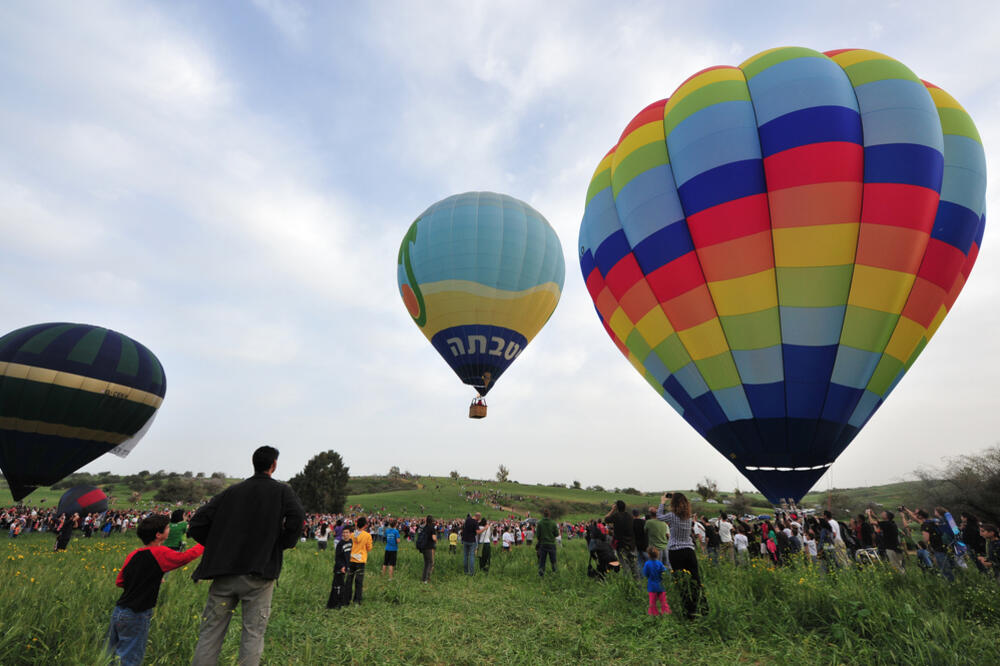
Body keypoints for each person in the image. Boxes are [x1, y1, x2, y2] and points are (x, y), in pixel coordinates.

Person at [188, 445, 306, 666]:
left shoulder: (231, 491)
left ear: (254, 464)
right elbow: (297, 517)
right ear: (274, 465)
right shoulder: (282, 491)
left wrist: (219, 546)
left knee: (210, 633)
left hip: (223, 572)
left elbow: (197, 523)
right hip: (258, 575)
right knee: (253, 634)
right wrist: (281, 543)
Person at [106, 514, 204, 666]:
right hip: (137, 613)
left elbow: (120, 581)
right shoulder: (160, 553)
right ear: (159, 535)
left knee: (111, 655)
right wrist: (205, 543)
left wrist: (150, 577)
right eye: (167, 528)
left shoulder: (134, 554)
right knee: (130, 658)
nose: (169, 529)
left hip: (119, 611)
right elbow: (185, 557)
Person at [657, 492, 708, 619]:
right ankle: (703, 608)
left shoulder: (672, 516)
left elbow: (659, 516)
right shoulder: (688, 517)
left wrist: (662, 502)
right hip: (689, 551)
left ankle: (688, 612)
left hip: (676, 551)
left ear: (673, 503)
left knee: (681, 582)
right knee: (696, 581)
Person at [603, 500, 636, 577]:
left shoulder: (616, 516)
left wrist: (612, 510)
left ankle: (627, 583)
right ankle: (637, 583)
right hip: (631, 544)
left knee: (625, 565)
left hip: (621, 544)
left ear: (617, 507)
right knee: (633, 565)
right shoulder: (630, 516)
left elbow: (606, 519)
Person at [344, 516, 372, 605]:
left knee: (349, 580)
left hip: (351, 559)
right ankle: (357, 600)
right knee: (359, 581)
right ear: (365, 525)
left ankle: (346, 599)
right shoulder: (367, 535)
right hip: (360, 560)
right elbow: (369, 548)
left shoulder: (351, 535)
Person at [327, 524, 352, 609]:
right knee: (337, 586)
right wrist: (341, 566)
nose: (345, 534)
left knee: (346, 586)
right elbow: (337, 558)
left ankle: (344, 602)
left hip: (348, 568)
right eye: (344, 533)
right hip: (339, 568)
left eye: (347, 532)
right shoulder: (340, 544)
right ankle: (333, 604)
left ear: (350, 533)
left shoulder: (352, 543)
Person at [642, 546, 671, 616]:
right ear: (657, 554)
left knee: (652, 602)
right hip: (661, 585)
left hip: (652, 586)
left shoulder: (647, 564)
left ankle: (654, 613)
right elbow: (665, 572)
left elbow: (645, 573)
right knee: (663, 601)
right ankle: (666, 612)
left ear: (648, 555)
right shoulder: (659, 563)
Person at [536, 509, 558, 577]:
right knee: (553, 560)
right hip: (551, 544)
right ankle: (555, 573)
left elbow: (537, 535)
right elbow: (556, 534)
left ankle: (541, 575)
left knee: (542, 561)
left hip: (543, 544)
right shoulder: (553, 523)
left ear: (543, 514)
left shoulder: (540, 523)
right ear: (549, 515)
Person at [418, 515, 437, 583]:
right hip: (429, 547)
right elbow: (434, 538)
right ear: (432, 521)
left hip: (423, 547)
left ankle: (424, 578)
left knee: (426, 563)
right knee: (430, 562)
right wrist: (436, 539)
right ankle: (427, 578)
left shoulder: (424, 527)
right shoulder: (432, 528)